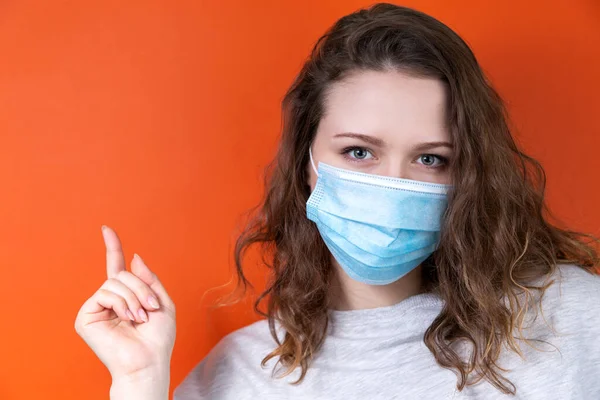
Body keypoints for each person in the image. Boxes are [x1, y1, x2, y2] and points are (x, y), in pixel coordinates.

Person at [74, 3, 600, 399]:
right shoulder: (238, 376)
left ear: (469, 173)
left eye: (431, 159)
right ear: (307, 161)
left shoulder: (571, 317)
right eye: (358, 151)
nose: (392, 185)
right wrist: (139, 382)